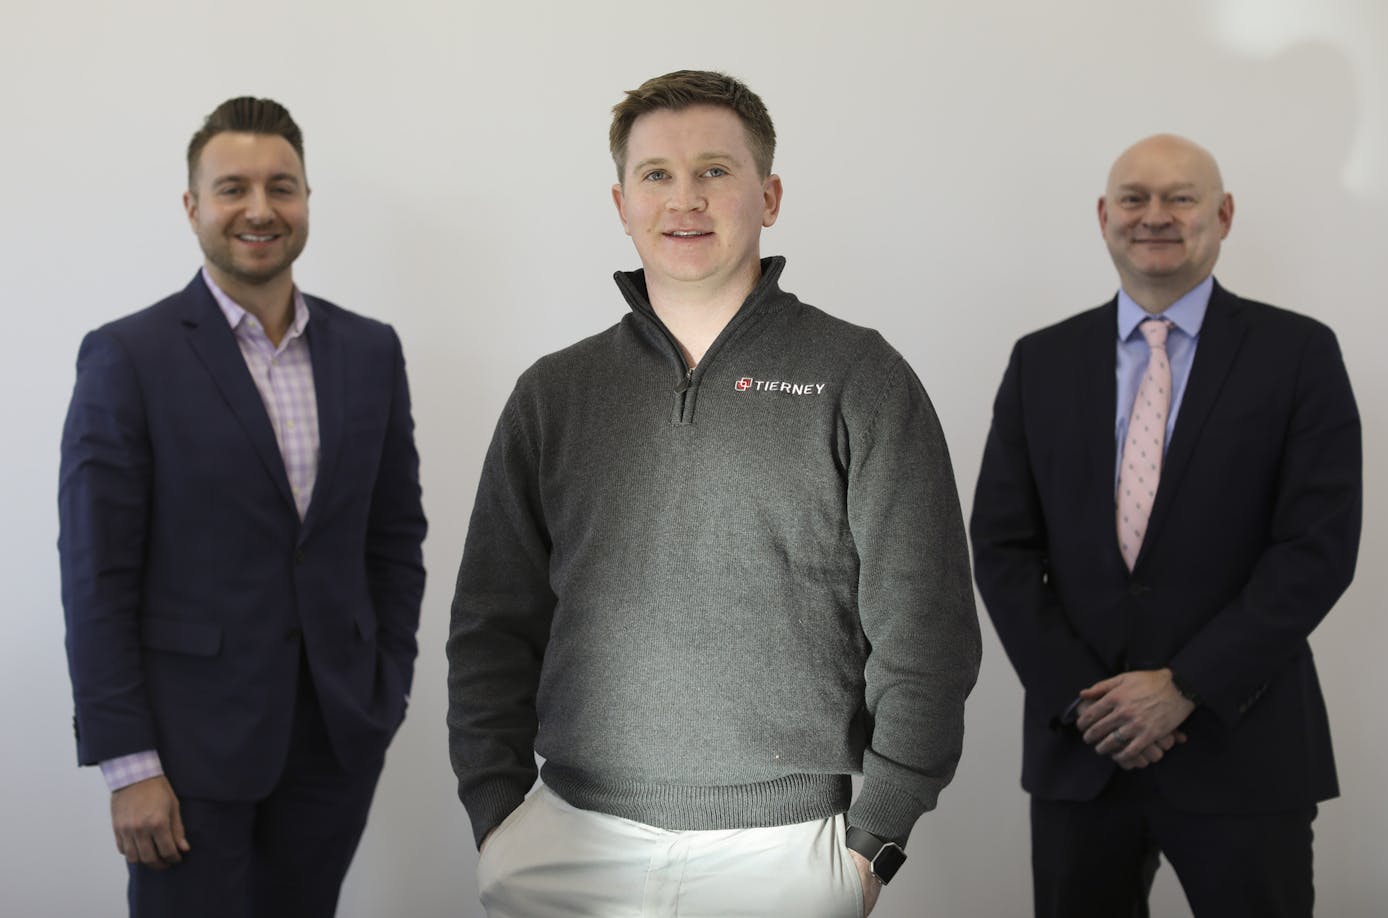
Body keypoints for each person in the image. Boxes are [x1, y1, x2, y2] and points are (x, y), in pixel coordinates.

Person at [447, 69, 980, 917]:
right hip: (568, 842)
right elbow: (491, 623)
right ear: (621, 201)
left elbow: (928, 626)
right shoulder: (555, 393)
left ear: (767, 196)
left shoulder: (857, 377)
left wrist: (875, 838)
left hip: (782, 852)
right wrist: (496, 816)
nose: (683, 199)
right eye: (656, 174)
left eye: (715, 172)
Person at [970, 134, 1361, 917]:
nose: (1155, 216)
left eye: (1180, 197)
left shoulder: (1298, 354)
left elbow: (1315, 550)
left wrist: (1185, 687)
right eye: (1135, 198)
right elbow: (1002, 547)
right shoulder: (1040, 361)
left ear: (1222, 214)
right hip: (1084, 752)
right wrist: (1086, 701)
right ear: (1104, 215)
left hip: (1244, 748)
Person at [58, 96, 427, 918]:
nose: (259, 208)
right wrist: (128, 764)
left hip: (334, 739)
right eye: (233, 188)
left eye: (282, 186)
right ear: (193, 207)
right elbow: (97, 573)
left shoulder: (371, 351)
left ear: (304, 201)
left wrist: (384, 687)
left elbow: (394, 538)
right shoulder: (128, 356)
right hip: (185, 756)